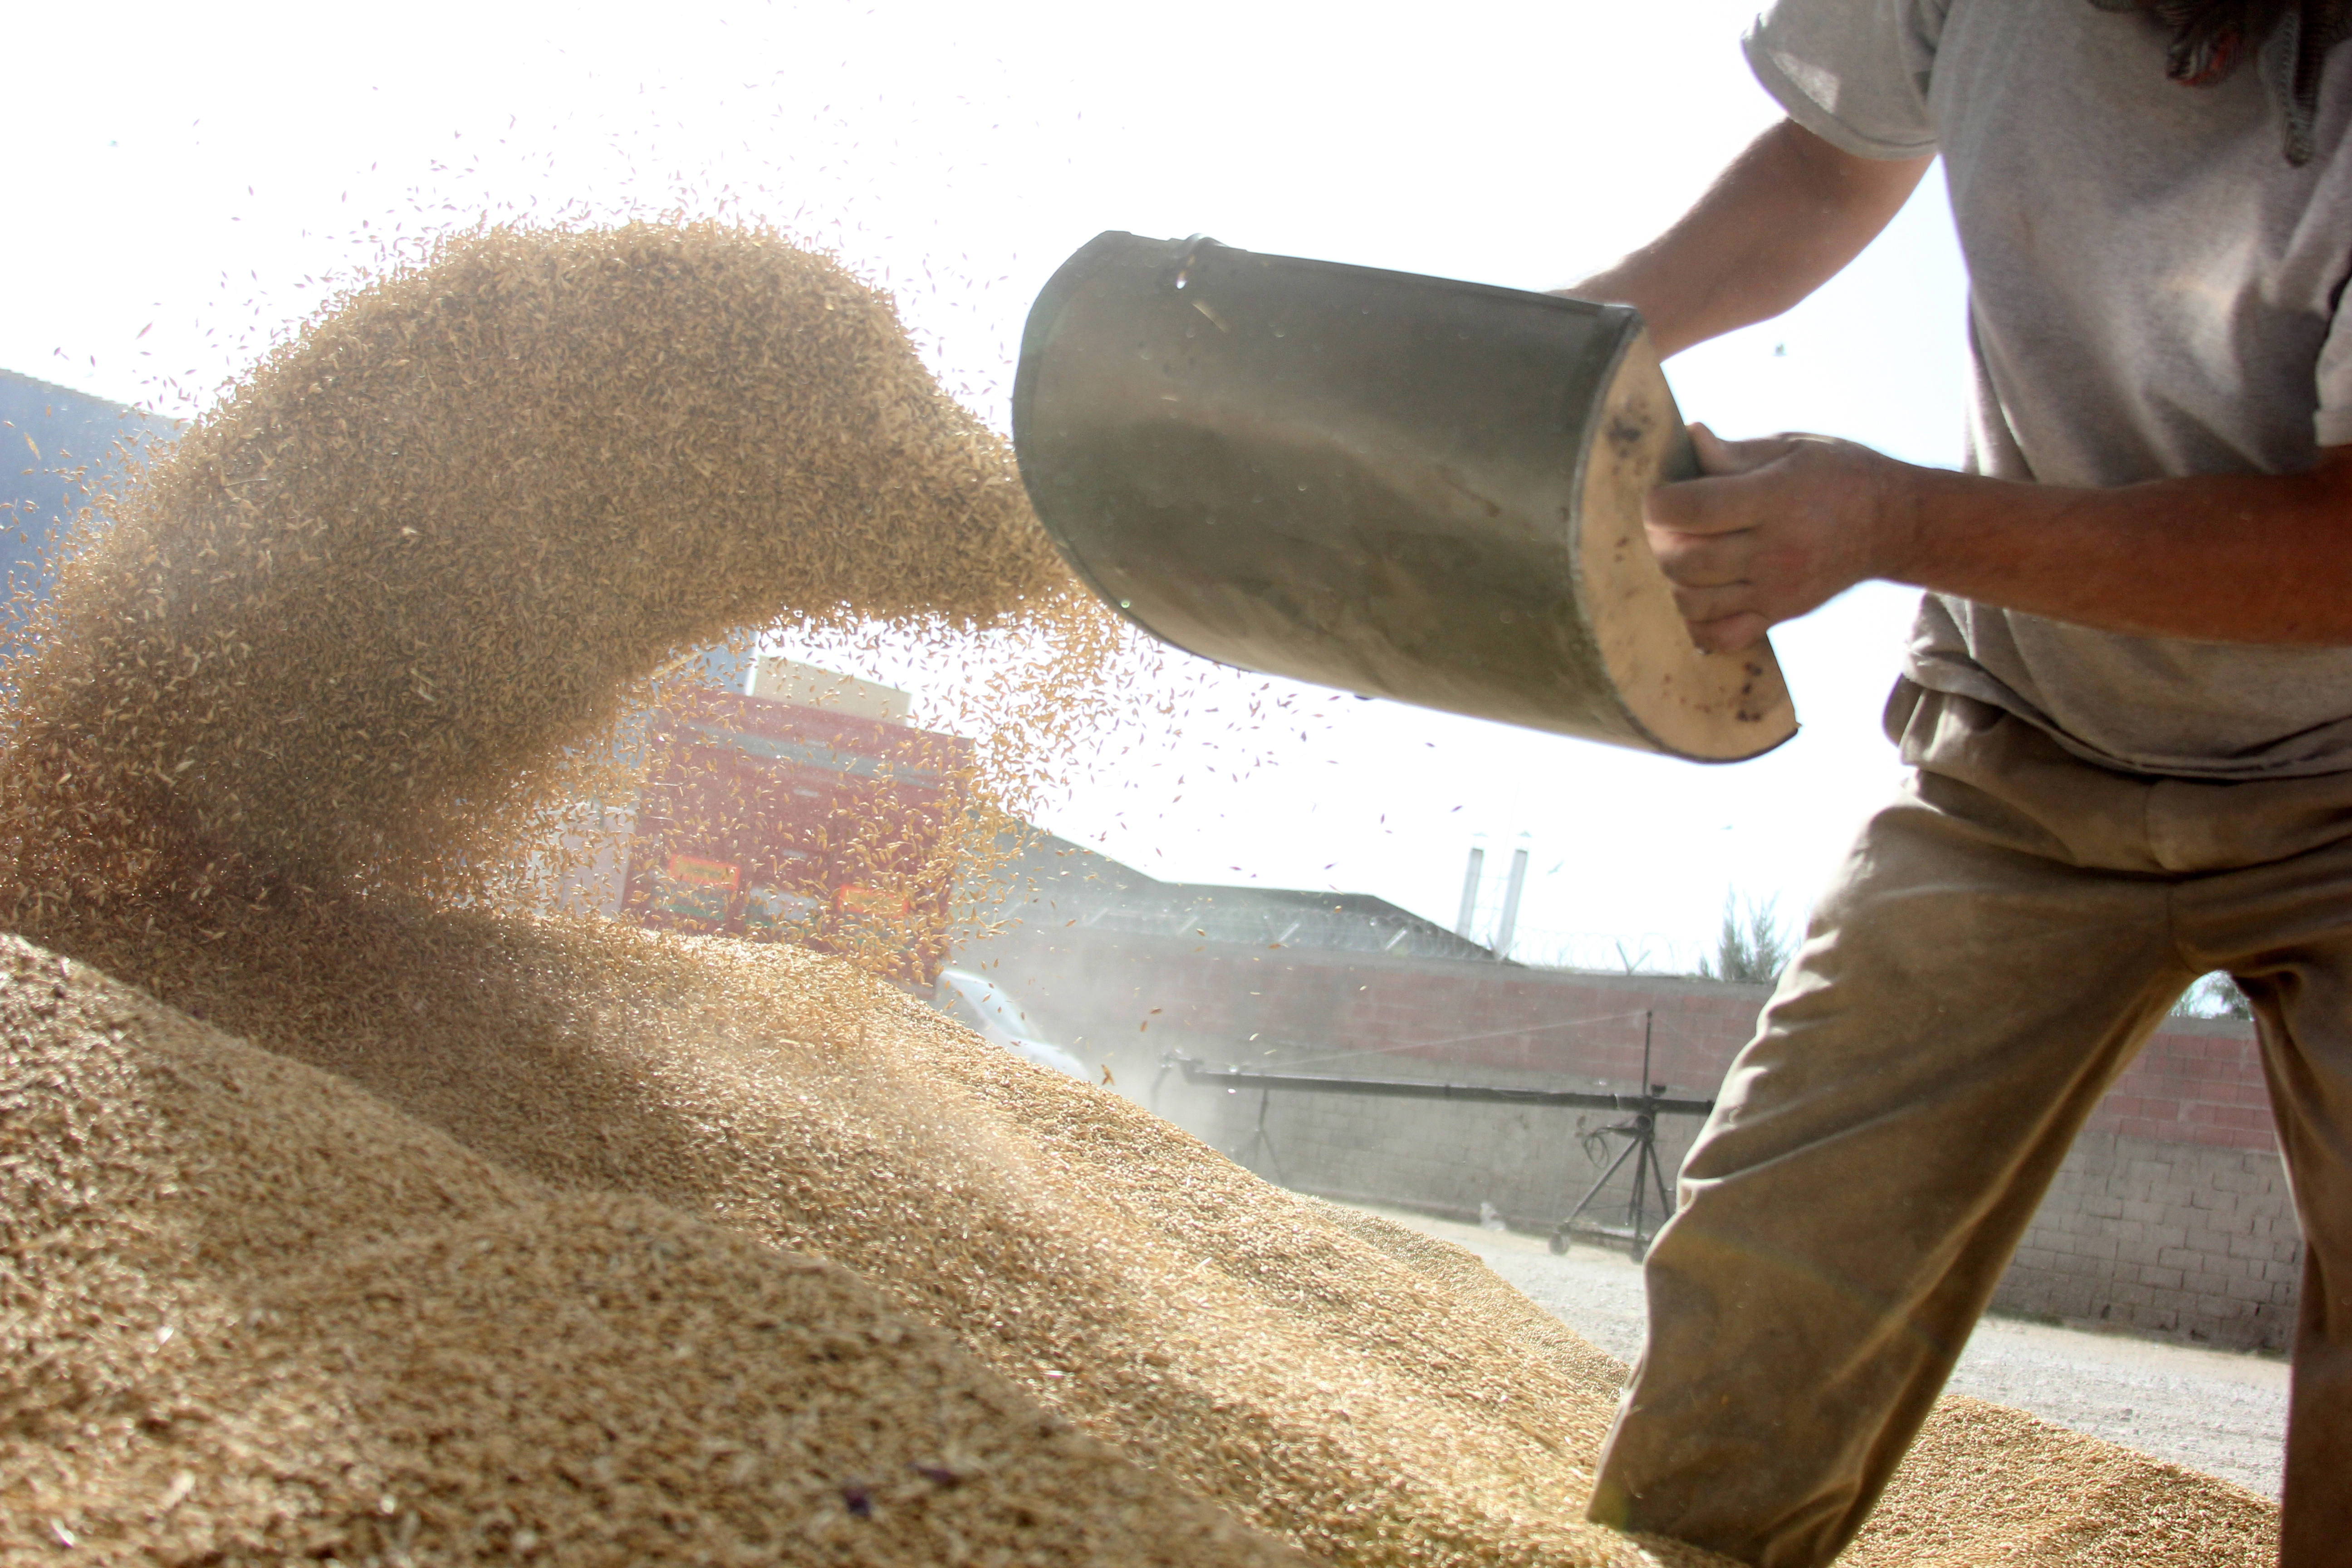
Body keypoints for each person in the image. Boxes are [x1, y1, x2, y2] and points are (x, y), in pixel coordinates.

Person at [1560, 2, 2351, 1564]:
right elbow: (1828, 161)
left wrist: (1889, 524)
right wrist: (1558, 350)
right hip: (2025, 749)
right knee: (1777, 1271)